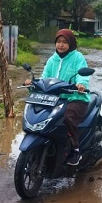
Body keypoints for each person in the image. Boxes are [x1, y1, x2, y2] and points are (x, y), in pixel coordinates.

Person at [25, 28, 90, 165]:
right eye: (58, 42)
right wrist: (34, 83)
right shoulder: (52, 60)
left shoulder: (77, 57)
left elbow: (82, 75)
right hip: (54, 97)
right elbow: (44, 77)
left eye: (64, 42)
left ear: (70, 43)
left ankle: (75, 150)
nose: (61, 45)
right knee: (40, 114)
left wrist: (80, 84)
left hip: (74, 97)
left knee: (68, 117)